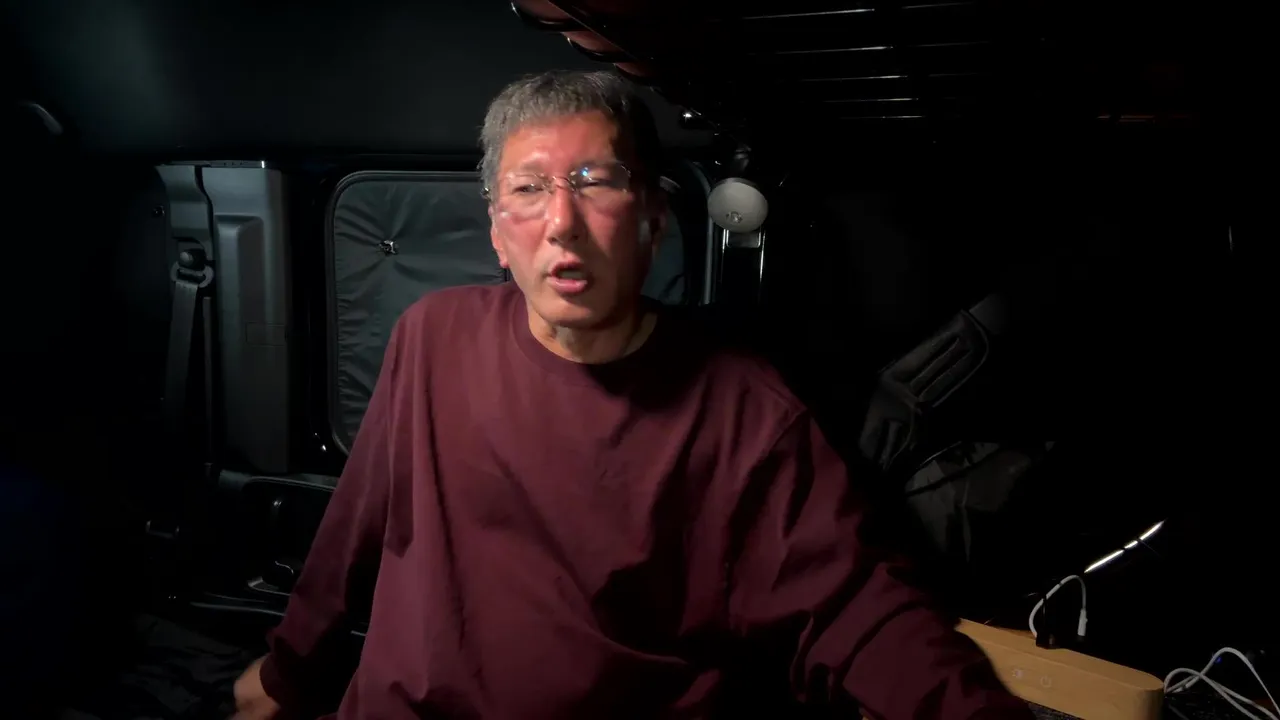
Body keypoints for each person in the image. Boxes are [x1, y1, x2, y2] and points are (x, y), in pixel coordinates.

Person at [232, 70, 1032, 720]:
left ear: (652, 219)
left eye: (595, 181)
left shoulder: (744, 410)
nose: (563, 222)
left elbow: (858, 608)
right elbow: (356, 524)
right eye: (529, 188)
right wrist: (287, 673)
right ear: (497, 235)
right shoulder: (431, 337)